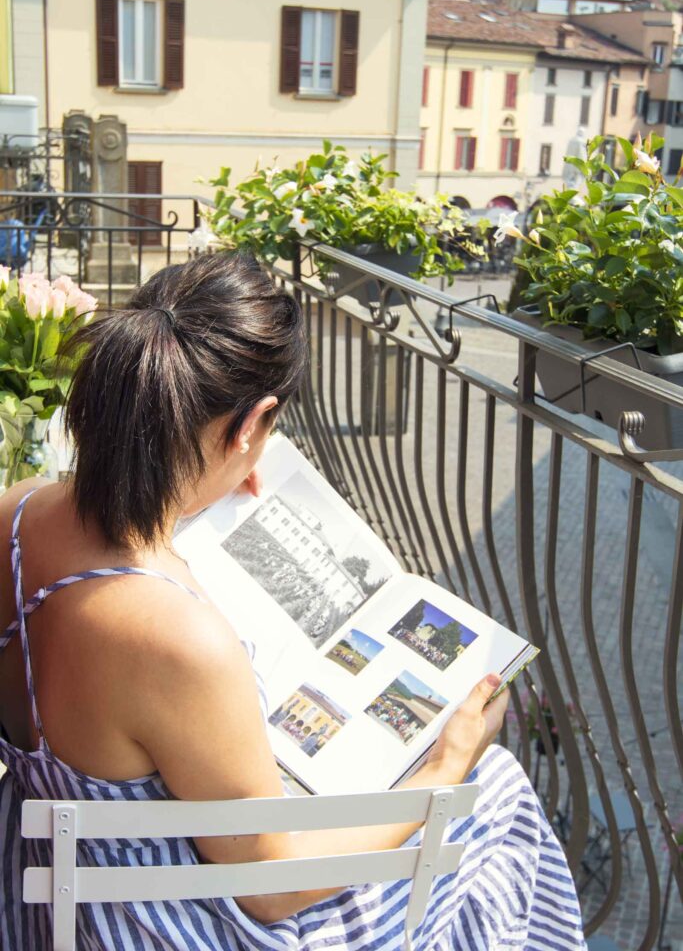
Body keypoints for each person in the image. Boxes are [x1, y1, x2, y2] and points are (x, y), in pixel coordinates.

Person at [0, 251, 586, 950]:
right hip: (164, 922)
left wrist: (197, 488)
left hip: (48, 888)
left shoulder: (18, 508)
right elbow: (273, 889)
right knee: (496, 798)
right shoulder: (177, 638)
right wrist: (444, 768)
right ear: (251, 425)